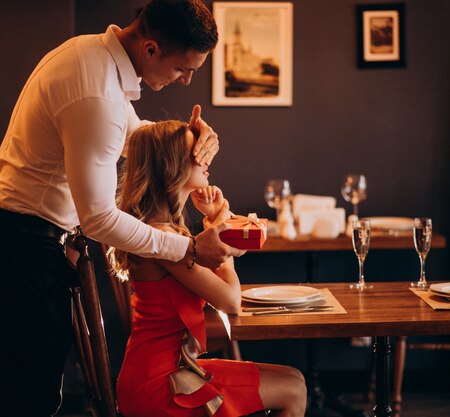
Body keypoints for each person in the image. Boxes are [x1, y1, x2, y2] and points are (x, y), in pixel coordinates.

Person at [0, 1, 245, 415]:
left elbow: (133, 134)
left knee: (35, 391)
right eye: (184, 69)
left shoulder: (93, 59)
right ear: (151, 50)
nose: (186, 81)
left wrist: (191, 138)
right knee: (26, 399)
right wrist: (186, 249)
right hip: (18, 246)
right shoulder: (96, 90)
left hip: (22, 240)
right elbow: (98, 218)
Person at [112, 120, 308, 417]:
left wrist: (216, 225)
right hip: (158, 384)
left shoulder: (164, 232)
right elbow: (230, 301)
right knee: (293, 389)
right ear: (173, 167)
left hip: (168, 369)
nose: (205, 160)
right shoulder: (165, 239)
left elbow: (211, 281)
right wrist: (222, 244)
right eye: (196, 154)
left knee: (294, 379)